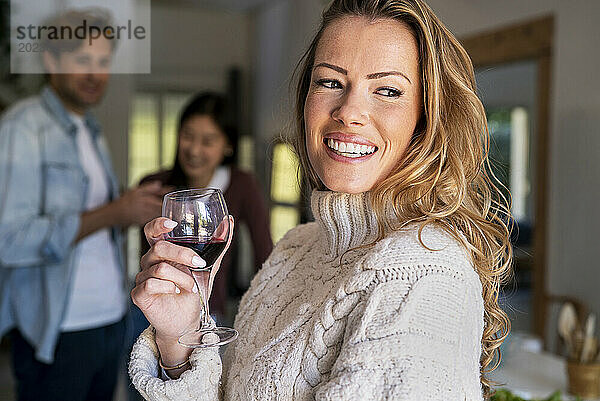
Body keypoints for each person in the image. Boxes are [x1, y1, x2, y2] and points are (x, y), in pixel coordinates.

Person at [129, 0, 513, 399]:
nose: (349, 111)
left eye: (387, 90)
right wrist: (180, 335)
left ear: (426, 117)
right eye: (330, 81)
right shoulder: (296, 247)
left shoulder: (424, 276)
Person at [0, 10, 169, 401]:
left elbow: (95, 225)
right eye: (82, 60)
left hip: (111, 320)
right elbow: (10, 238)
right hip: (59, 332)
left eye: (102, 61)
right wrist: (114, 212)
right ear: (51, 61)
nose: (95, 73)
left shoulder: (89, 129)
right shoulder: (22, 128)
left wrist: (133, 210)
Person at [137, 92, 273, 323]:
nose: (194, 150)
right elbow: (146, 256)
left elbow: (265, 253)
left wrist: (263, 312)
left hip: (211, 311)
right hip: (157, 308)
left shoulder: (242, 184)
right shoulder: (154, 186)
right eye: (188, 136)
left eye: (208, 141)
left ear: (228, 145)